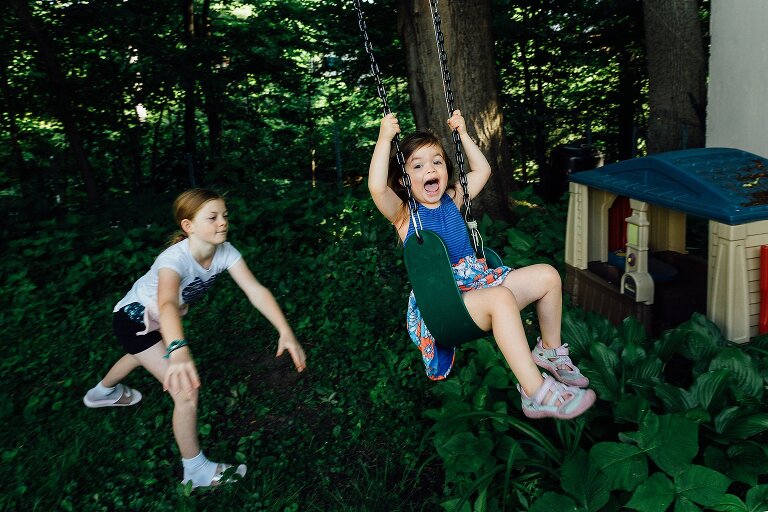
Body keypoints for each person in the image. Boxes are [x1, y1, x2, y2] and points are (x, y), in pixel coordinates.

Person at [368, 111, 595, 420]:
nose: (429, 169)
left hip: (479, 286)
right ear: (405, 179)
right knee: (501, 298)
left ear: (446, 170)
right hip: (444, 305)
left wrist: (462, 135)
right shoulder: (406, 215)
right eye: (417, 165)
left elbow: (483, 169)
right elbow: (378, 189)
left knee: (548, 276)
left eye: (436, 161)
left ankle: (549, 351)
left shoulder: (454, 198)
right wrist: (384, 139)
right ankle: (536, 392)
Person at [83, 188, 307, 488]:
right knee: (186, 392)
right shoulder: (173, 260)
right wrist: (177, 348)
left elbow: (255, 290)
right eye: (212, 217)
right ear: (188, 226)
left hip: (157, 321)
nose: (223, 223)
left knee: (137, 356)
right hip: (133, 320)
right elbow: (166, 303)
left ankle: (100, 393)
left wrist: (285, 330)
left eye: (224, 216)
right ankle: (196, 471)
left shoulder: (225, 252)